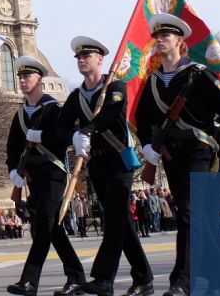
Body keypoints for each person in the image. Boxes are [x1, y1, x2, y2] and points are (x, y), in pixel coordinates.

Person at [134, 14, 220, 296]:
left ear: (179, 41)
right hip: (171, 155)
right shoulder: (153, 81)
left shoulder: (199, 74)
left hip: (198, 151)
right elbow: (142, 118)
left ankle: (182, 280)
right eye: (157, 36)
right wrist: (147, 145)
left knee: (189, 213)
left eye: (166, 36)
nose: (159, 40)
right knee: (200, 216)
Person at [58, 36, 152, 296]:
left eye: (86, 56)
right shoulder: (76, 97)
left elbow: (113, 115)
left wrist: (87, 130)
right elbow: (61, 126)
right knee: (120, 221)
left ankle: (103, 279)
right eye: (78, 57)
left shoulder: (115, 87)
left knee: (114, 220)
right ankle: (143, 278)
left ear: (100, 59)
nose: (81, 60)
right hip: (96, 164)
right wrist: (74, 136)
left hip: (119, 161)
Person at [5, 55, 86, 296]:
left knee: (43, 225)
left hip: (52, 173)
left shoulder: (52, 108)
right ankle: (76, 276)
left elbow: (65, 136)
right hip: (33, 178)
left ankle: (29, 281)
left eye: (27, 76)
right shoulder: (21, 113)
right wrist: (13, 170)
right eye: (20, 76)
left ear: (39, 79)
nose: (23, 80)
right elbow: (12, 146)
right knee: (52, 228)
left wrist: (42, 136)